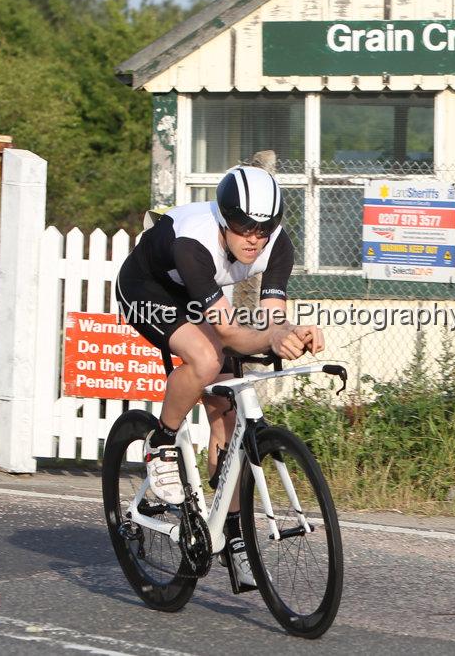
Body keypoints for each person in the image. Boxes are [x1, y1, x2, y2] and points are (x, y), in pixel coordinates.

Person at [115, 164, 324, 588]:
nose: (253, 238)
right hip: (147, 290)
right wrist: (270, 339)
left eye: (263, 228)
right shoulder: (194, 239)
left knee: (229, 419)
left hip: (200, 295)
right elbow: (229, 333)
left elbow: (272, 317)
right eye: (243, 226)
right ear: (225, 218)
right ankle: (161, 442)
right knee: (208, 359)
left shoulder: (276, 244)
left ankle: (233, 534)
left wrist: (290, 333)